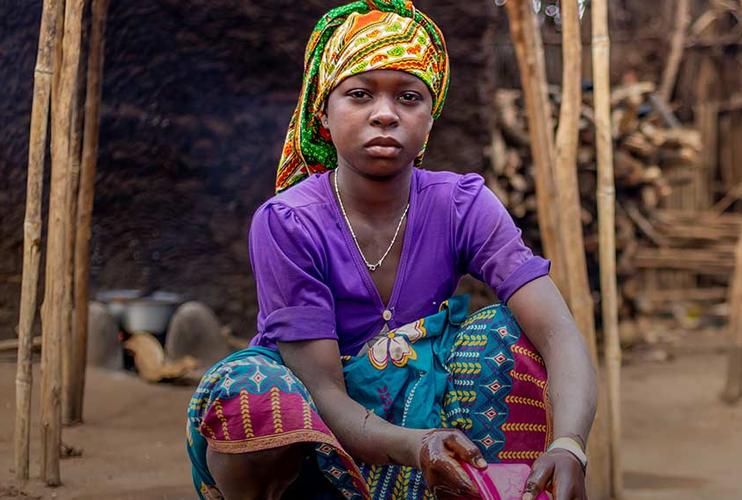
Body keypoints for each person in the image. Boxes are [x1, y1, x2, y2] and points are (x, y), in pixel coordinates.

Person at [184, 2, 597, 498]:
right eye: (359, 95)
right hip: (325, 441)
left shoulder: (461, 204)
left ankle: (500, 487)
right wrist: (416, 446)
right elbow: (325, 393)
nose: (384, 114)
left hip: (431, 430)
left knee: (503, 334)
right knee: (249, 390)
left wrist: (571, 442)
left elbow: (559, 333)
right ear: (324, 114)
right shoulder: (289, 223)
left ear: (429, 118)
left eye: (408, 96)